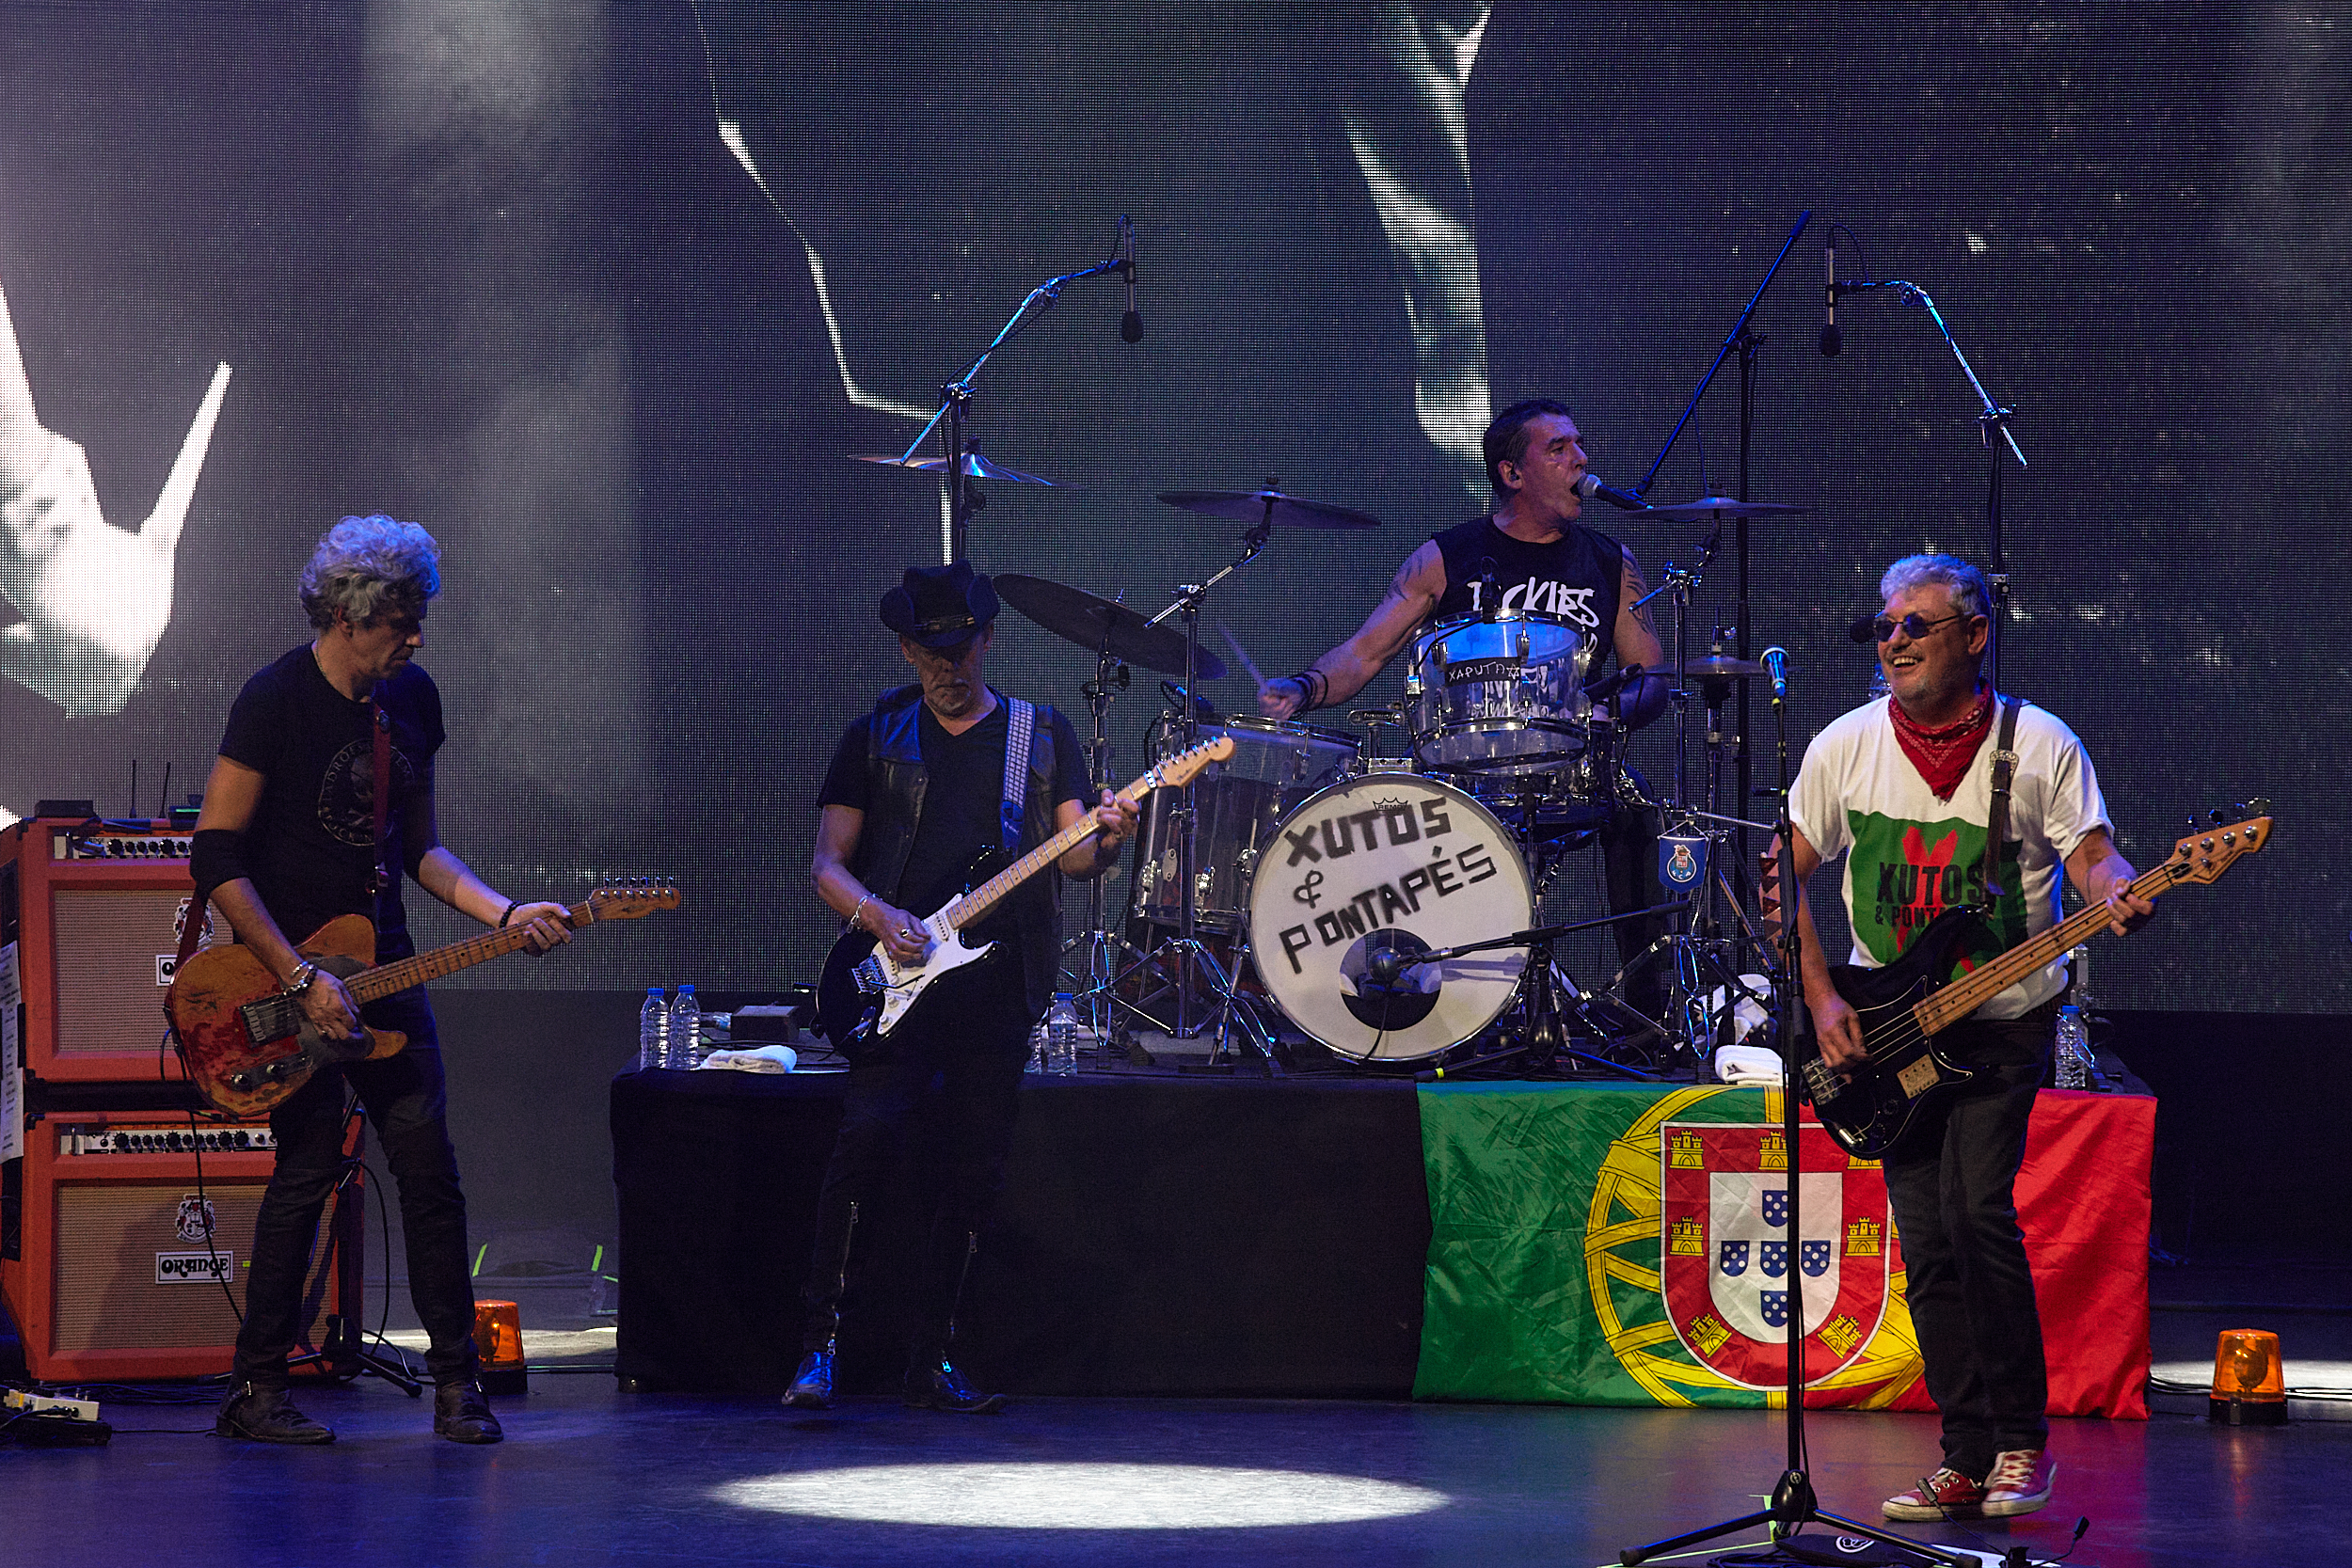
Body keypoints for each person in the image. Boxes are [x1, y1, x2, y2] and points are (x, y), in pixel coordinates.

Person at [1780, 553, 2154, 1523]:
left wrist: (2115, 888)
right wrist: (1822, 998)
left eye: (1917, 623)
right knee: (1928, 1237)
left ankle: (2021, 1444)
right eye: (1885, 625)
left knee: (1977, 1209)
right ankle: (1962, 1451)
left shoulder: (2036, 744)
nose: (1893, 639)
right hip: (1887, 1027)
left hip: (2003, 1019)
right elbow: (1775, 875)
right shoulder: (1843, 745)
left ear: (1974, 633)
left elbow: (2093, 850)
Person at [191, 515, 573, 1446]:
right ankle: (256, 1388)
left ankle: (457, 1385)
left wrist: (502, 911)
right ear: (349, 614)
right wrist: (299, 970)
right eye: (401, 618)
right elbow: (215, 852)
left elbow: (424, 850)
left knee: (429, 1172)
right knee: (308, 1170)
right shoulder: (274, 698)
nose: (416, 636)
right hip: (287, 981)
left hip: (387, 967)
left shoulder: (411, 701)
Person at [788, 561, 1136, 1414]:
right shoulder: (877, 733)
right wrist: (878, 917)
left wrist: (1113, 834)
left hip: (996, 989)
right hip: (895, 986)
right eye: (929, 652)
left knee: (972, 1171)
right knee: (861, 1149)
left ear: (988, 639)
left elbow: (1080, 857)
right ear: (907, 649)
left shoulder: (1039, 735)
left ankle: (931, 1360)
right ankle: (817, 1350)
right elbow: (826, 864)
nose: (948, 667)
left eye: (962, 649)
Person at [1258, 397, 1674, 1006]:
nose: (1581, 460)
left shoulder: (1610, 562)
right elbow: (1366, 653)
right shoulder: (1445, 557)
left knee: (1637, 807)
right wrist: (1304, 687)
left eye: (1579, 445)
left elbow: (1652, 674)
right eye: (1558, 449)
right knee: (1390, 800)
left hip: (1572, 764)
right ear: (1512, 473)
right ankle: (1398, 1000)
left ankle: (1645, 1012)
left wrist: (1609, 709)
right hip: (1462, 765)